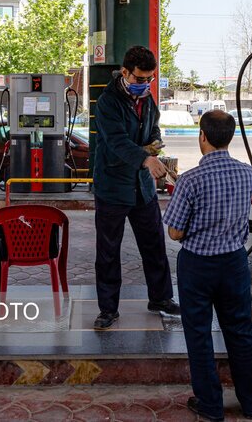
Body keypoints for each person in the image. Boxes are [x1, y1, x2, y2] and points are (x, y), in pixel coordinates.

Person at [163, 110, 252, 421]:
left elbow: (175, 231)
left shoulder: (191, 180)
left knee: (199, 334)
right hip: (234, 263)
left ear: (202, 136)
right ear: (230, 137)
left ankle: (210, 405)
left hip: (198, 265)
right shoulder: (247, 174)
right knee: (240, 331)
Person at [93, 45, 180, 330]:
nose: (145, 84)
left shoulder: (148, 101)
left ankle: (161, 298)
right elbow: (117, 142)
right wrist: (145, 158)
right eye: (140, 79)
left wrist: (153, 147)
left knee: (154, 245)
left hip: (142, 189)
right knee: (108, 251)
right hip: (113, 187)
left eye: (150, 79)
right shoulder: (107, 102)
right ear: (125, 72)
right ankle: (108, 309)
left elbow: (153, 130)